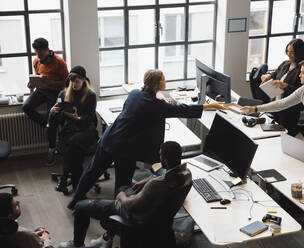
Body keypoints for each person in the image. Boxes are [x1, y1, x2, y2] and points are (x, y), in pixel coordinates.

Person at [67, 69, 226, 210]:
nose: (165, 82)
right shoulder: (156, 105)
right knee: (122, 184)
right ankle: (117, 215)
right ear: (157, 83)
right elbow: (181, 109)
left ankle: (75, 201)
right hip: (125, 149)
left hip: (109, 138)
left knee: (91, 172)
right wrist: (209, 106)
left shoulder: (134, 94)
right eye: (163, 80)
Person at [58, 141, 192, 248]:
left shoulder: (156, 185)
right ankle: (107, 238)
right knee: (124, 186)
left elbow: (131, 205)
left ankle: (77, 244)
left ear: (165, 159)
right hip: (157, 219)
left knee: (81, 206)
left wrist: (121, 196)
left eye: (161, 155)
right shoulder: (185, 175)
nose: (159, 157)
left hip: (135, 215)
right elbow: (162, 175)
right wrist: (146, 180)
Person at [47, 66, 98, 190]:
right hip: (69, 131)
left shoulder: (90, 96)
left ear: (84, 81)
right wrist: (52, 111)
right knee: (75, 150)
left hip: (86, 130)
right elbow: (56, 113)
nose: (74, 84)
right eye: (72, 81)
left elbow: (90, 118)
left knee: (72, 143)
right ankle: (78, 187)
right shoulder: (62, 94)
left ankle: (64, 178)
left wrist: (78, 118)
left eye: (77, 81)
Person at [259, 39, 304, 141]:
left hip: (289, 108)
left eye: (292, 52)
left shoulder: (303, 70)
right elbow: (276, 73)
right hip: (277, 102)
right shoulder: (285, 64)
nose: (289, 55)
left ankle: (300, 129)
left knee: (285, 135)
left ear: (299, 52)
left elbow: (302, 91)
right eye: (287, 51)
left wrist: (284, 85)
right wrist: (269, 75)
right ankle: (299, 129)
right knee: (274, 131)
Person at [22, 38, 69, 128]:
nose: (38, 56)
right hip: (41, 90)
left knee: (53, 116)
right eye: (36, 52)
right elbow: (38, 76)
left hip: (56, 92)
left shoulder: (59, 62)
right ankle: (45, 125)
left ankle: (51, 129)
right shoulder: (36, 61)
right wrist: (33, 83)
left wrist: (51, 82)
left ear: (47, 50)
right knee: (26, 107)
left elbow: (66, 83)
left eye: (40, 53)